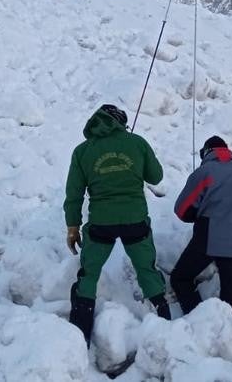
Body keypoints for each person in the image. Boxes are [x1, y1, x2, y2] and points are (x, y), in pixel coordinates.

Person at [64, 104, 169, 344]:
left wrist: (72, 226)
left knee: (89, 274)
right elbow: (156, 177)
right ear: (120, 122)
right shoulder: (137, 142)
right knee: (146, 270)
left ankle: (80, 334)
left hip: (101, 223)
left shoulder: (82, 151)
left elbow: (74, 194)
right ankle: (164, 322)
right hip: (136, 221)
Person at [170, 136, 232, 317]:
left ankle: (199, 320)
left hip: (208, 239)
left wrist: (197, 216)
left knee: (180, 278)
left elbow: (181, 208)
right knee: (231, 299)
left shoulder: (205, 172)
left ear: (206, 152)